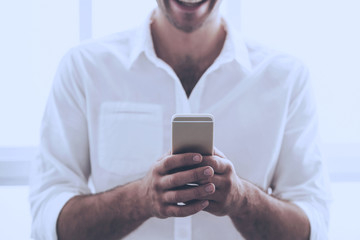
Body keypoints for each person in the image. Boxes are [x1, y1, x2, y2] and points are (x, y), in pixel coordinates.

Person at [29, 0, 331, 239]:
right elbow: (48, 221)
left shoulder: (287, 78)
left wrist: (242, 200)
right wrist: (141, 199)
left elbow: (313, 226)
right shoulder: (85, 69)